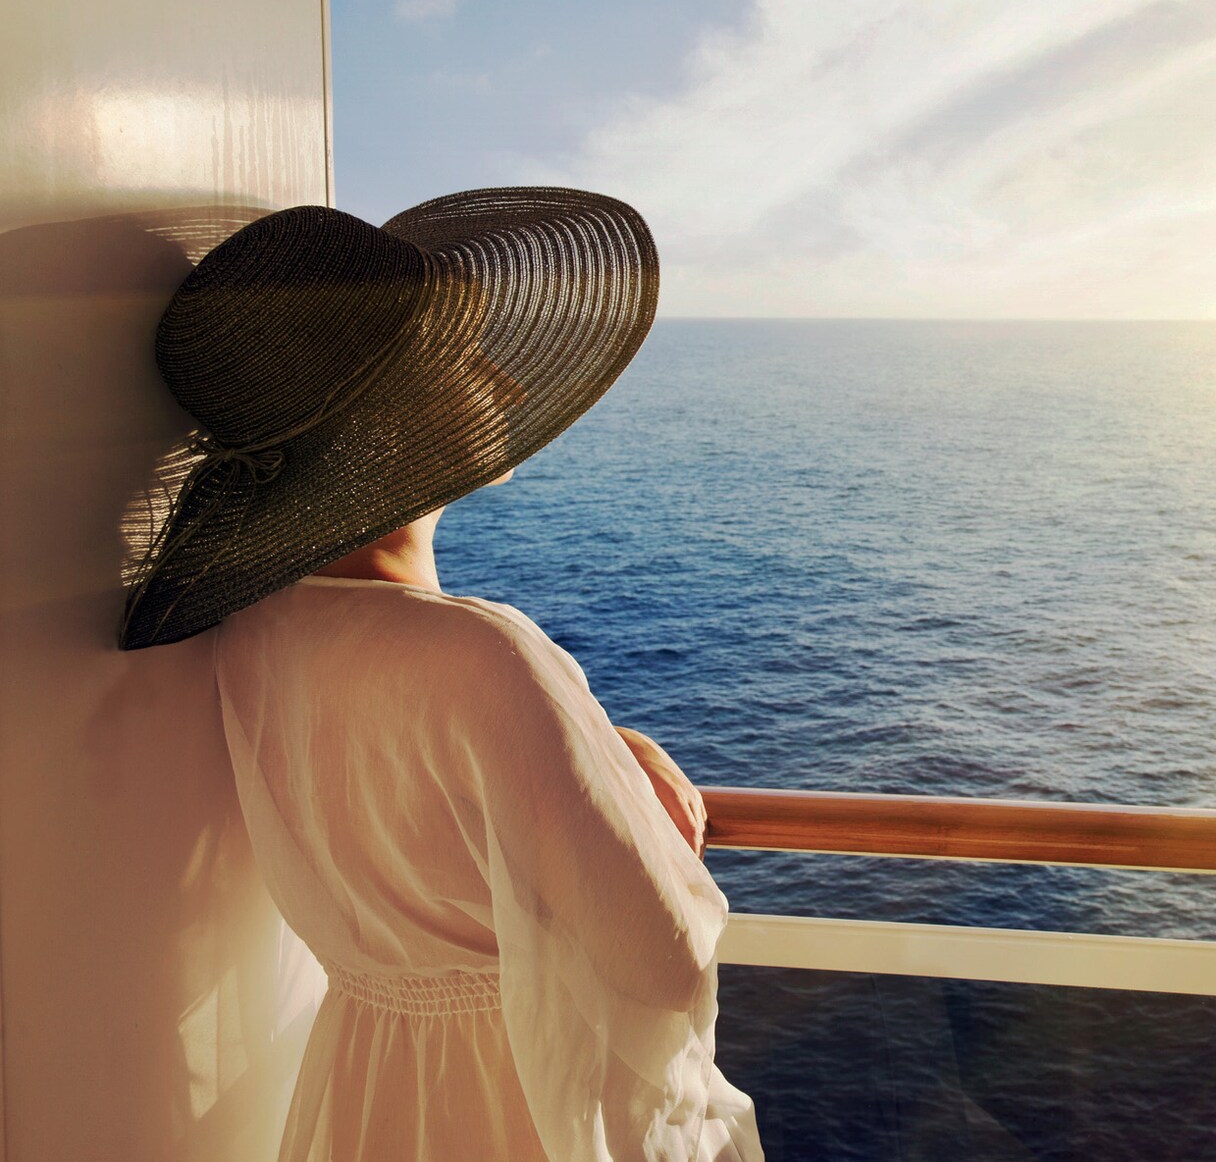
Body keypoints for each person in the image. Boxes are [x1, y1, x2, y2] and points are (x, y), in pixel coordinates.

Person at [119, 188, 762, 1162]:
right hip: (509, 1103)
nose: (502, 385)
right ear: (388, 411)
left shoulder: (258, 627)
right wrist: (633, 795)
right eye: (466, 361)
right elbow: (662, 967)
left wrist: (600, 747)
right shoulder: (480, 654)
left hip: (365, 1083)